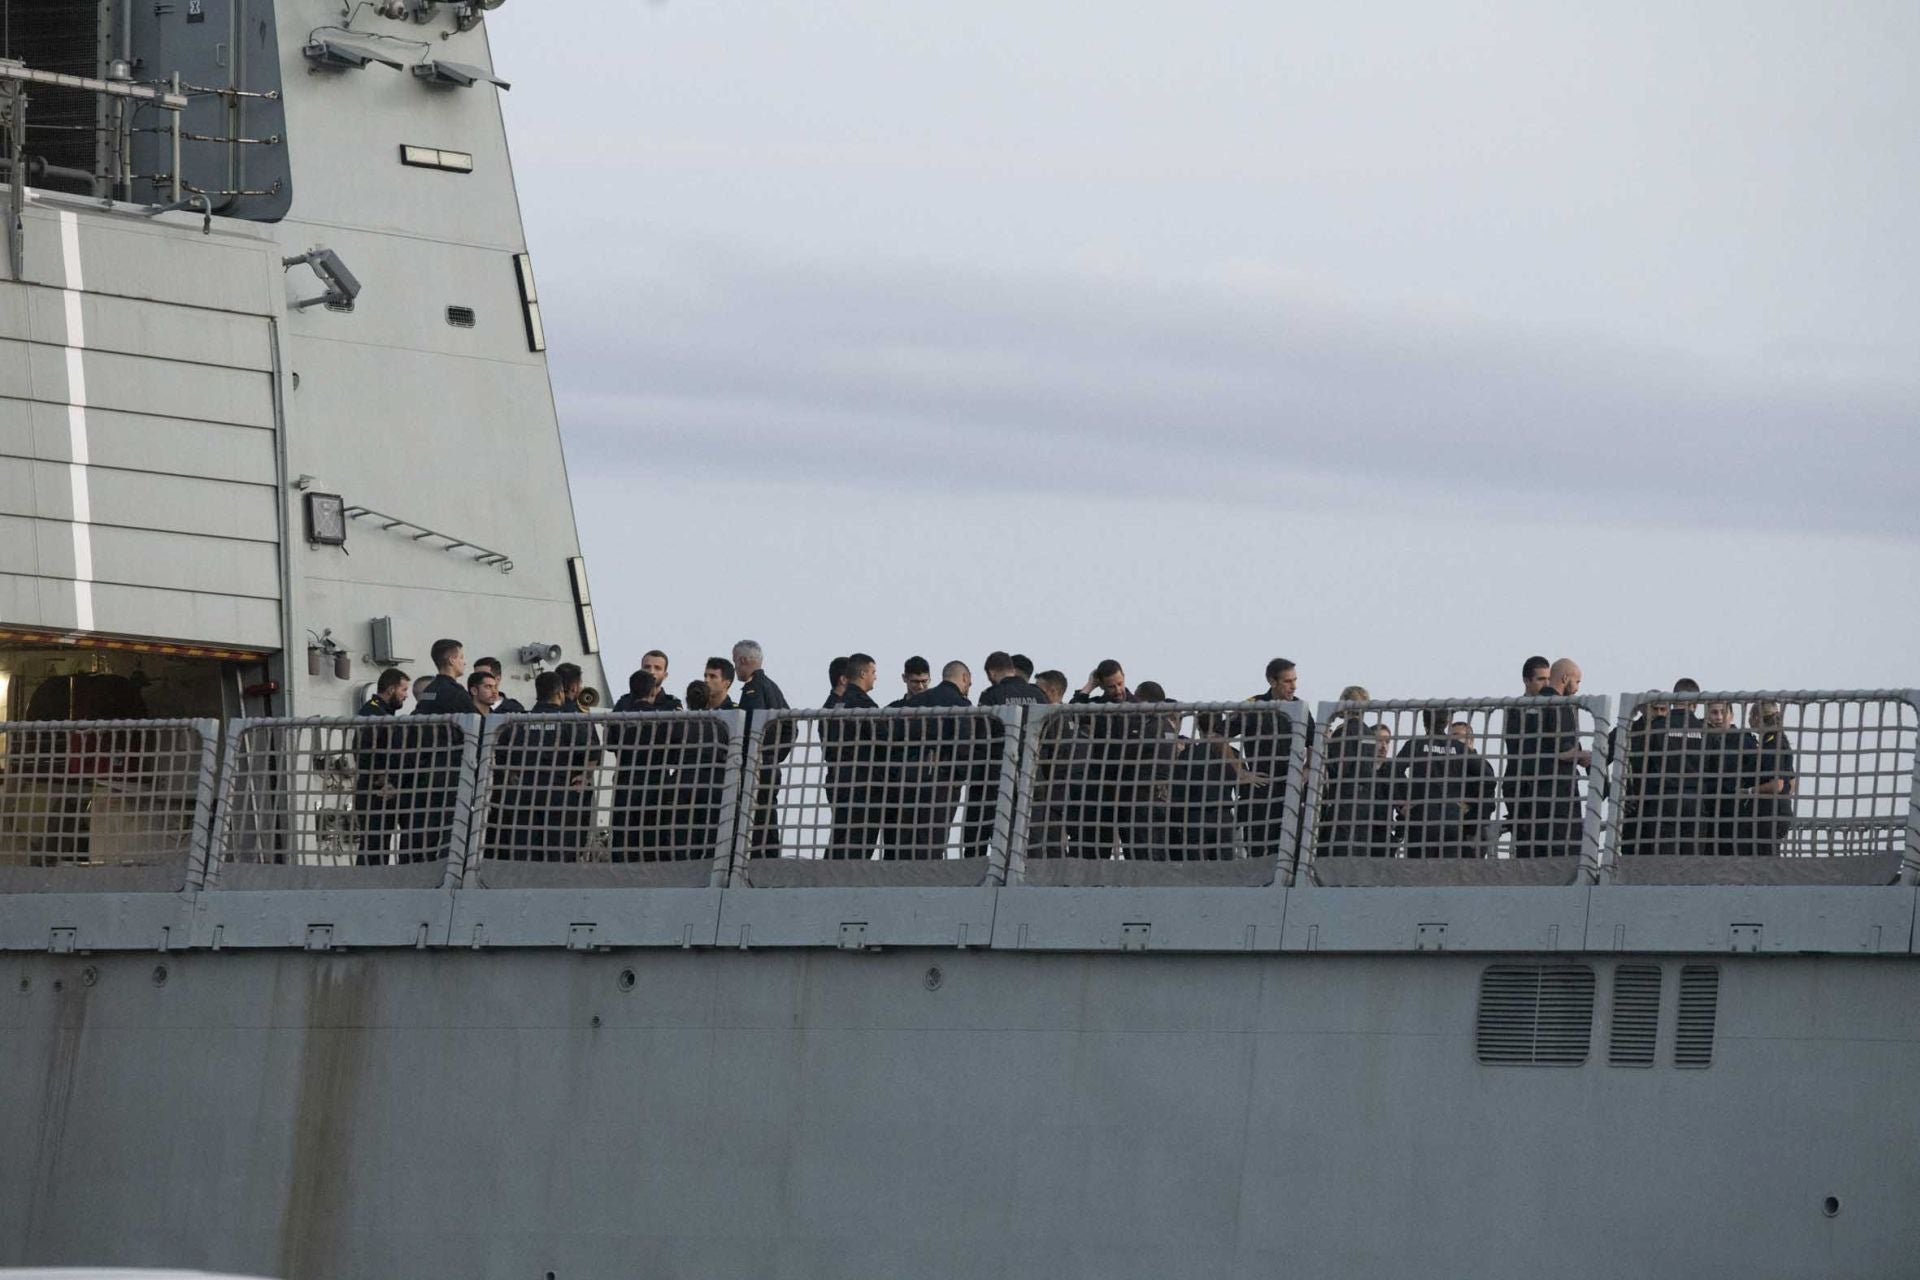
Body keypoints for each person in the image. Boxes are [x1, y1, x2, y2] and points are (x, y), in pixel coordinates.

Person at [404, 638, 474, 859]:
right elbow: (479, 723)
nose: (464, 662)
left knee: (426, 826)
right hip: (450, 769)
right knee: (449, 827)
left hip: (426, 769)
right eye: (461, 657)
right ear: (452, 660)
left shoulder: (429, 691)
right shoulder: (454, 693)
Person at [607, 670, 684, 861]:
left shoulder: (620, 715)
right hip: (656, 784)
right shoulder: (665, 717)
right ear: (652, 692)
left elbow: (610, 743)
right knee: (652, 836)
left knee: (623, 835)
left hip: (626, 781)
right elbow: (676, 749)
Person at [900, 660, 974, 857]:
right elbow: (964, 745)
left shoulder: (915, 702)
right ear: (964, 678)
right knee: (933, 837)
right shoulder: (961, 705)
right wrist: (960, 775)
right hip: (942, 777)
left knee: (906, 837)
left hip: (908, 776)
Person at [1237, 658, 1304, 860]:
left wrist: (1309, 769)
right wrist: (1240, 772)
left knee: (1294, 850)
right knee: (1259, 850)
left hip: (1291, 789)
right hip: (1262, 789)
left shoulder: (1301, 708)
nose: (1294, 686)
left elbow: (1314, 742)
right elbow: (1218, 737)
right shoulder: (1254, 706)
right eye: (1287, 681)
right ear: (1272, 681)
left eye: (1295, 680)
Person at [1524, 658, 1592, 859]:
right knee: (1565, 852)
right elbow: (1561, 752)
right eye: (1577, 681)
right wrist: (1583, 755)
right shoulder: (1561, 706)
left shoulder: (1532, 705)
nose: (1578, 687)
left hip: (1533, 791)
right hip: (1560, 792)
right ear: (1565, 678)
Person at [1391, 707, 1480, 858]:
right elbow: (1486, 777)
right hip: (1451, 819)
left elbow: (1393, 771)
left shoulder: (1416, 745)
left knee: (1417, 872)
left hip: (1420, 817)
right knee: (1447, 873)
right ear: (1447, 723)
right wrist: (1469, 805)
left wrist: (1402, 803)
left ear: (1424, 722)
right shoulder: (1459, 748)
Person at [1316, 687, 1390, 858]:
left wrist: (1325, 747)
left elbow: (1338, 766)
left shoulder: (1343, 732)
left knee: (1335, 849)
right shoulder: (1370, 734)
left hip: (1343, 798)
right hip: (1365, 800)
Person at [734, 640, 791, 858]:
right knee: (767, 815)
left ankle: (758, 863)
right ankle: (770, 861)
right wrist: (775, 755)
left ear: (742, 660)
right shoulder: (772, 687)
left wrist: (758, 754)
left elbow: (750, 727)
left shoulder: (753, 689)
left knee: (754, 817)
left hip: (754, 764)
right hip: (768, 764)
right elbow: (790, 727)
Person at [824, 653, 882, 859]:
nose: (875, 677)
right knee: (859, 839)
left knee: (841, 836)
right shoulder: (865, 707)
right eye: (873, 672)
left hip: (839, 778)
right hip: (863, 782)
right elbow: (882, 743)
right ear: (864, 673)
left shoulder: (834, 706)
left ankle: (830, 878)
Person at [353, 669, 410, 864]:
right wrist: (383, 780)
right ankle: (367, 886)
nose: (406, 695)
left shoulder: (382, 712)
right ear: (391, 688)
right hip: (376, 792)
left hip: (382, 790)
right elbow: (365, 751)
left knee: (379, 844)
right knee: (374, 845)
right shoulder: (373, 713)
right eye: (403, 689)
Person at [1501, 656, 1551, 854]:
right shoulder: (1514, 708)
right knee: (1523, 841)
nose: (1546, 684)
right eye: (1540, 679)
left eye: (1548, 679)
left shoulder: (1555, 707)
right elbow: (1515, 744)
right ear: (1526, 680)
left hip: (1545, 784)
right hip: (1520, 783)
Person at [1697, 701, 1757, 856]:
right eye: (1714, 713)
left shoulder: (1745, 741)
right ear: (1706, 716)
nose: (1719, 717)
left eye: (1723, 712)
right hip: (1706, 814)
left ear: (1732, 716)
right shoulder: (1699, 740)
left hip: (1735, 814)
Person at [1741, 701, 1796, 856]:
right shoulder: (1783, 741)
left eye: (1750, 716)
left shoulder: (1770, 746)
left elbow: (1777, 784)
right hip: (1783, 811)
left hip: (1767, 815)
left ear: (1757, 718)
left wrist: (1749, 791)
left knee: (1762, 861)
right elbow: (1792, 784)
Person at [977, 651, 1047, 707]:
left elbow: (981, 723)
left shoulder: (991, 694)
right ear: (1012, 670)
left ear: (991, 673)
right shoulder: (1038, 693)